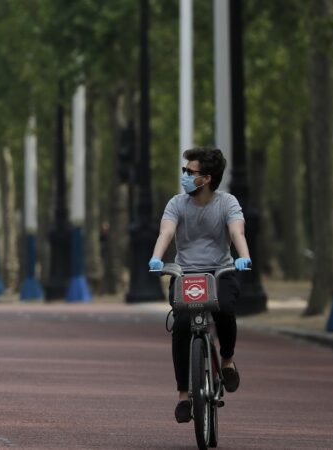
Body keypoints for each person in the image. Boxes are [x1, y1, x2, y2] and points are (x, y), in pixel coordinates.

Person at [147, 147, 252, 424]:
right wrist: (157, 259)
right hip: (185, 273)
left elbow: (236, 230)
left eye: (189, 172)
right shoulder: (176, 204)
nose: (184, 176)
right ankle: (184, 395)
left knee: (225, 309)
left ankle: (227, 361)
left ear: (205, 179)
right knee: (182, 326)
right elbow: (166, 231)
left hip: (220, 271)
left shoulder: (227, 203)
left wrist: (244, 257)